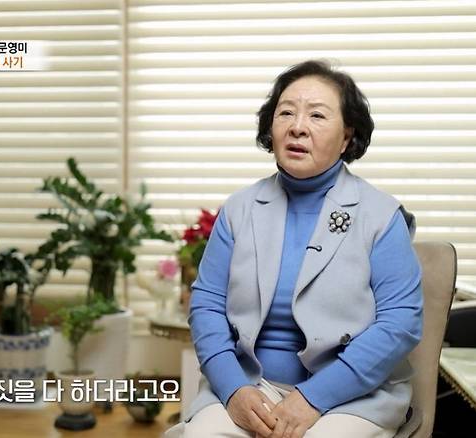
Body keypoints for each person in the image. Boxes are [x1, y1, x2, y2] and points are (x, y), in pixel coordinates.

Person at [171, 60, 423, 438]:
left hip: (351, 395)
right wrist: (234, 389)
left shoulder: (381, 215)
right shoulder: (239, 209)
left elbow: (400, 323)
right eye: (286, 112)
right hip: (252, 386)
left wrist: (314, 397)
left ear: (346, 137)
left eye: (317, 115)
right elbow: (206, 305)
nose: (297, 126)